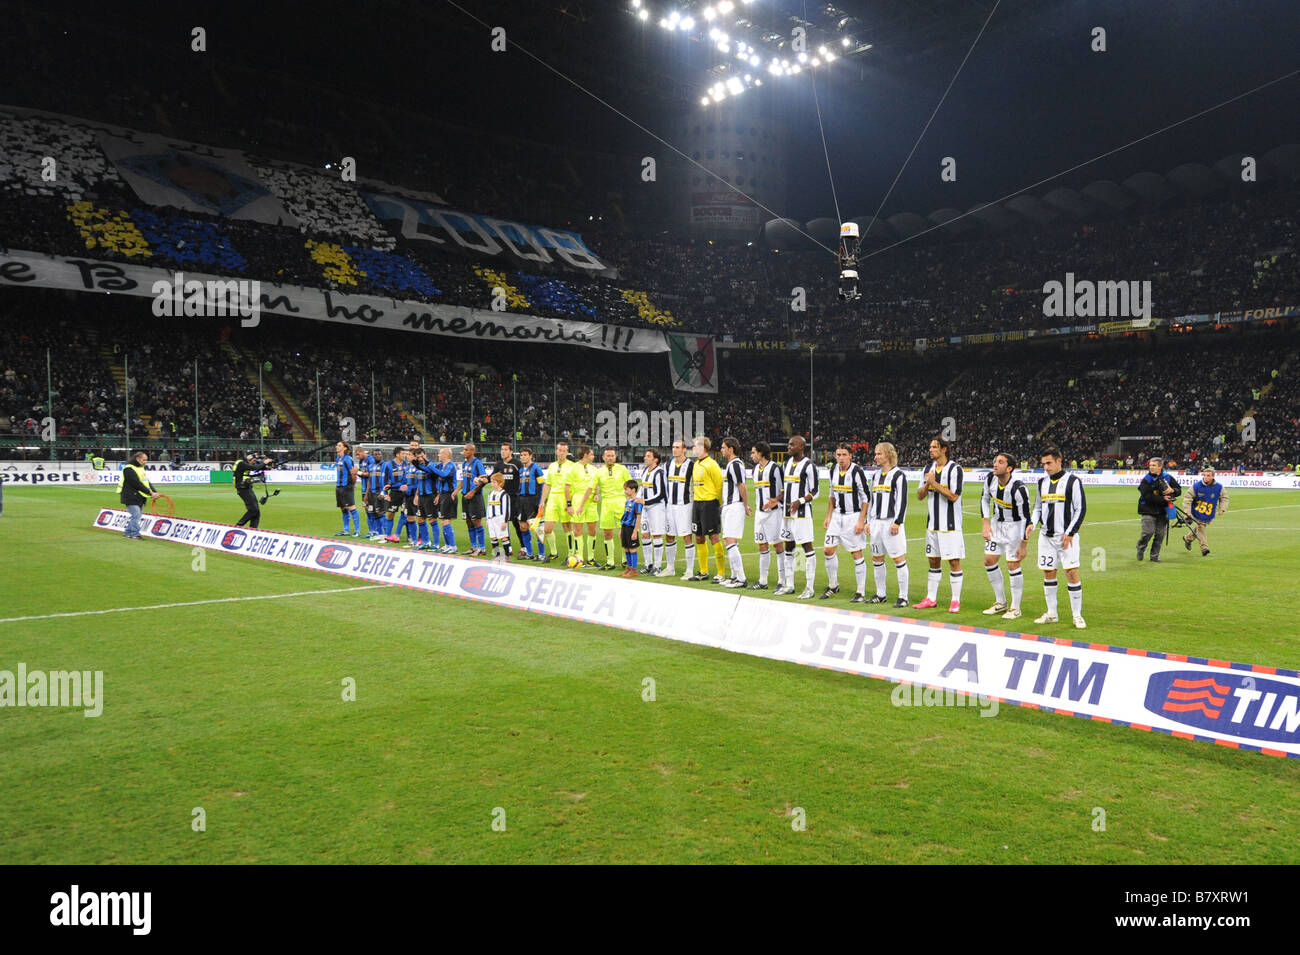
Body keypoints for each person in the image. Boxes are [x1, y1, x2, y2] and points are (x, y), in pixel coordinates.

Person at [1031, 446, 1088, 629]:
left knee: (1071, 573)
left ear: (1059, 461)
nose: (1046, 467)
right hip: (1046, 537)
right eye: (1043, 464)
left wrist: (1070, 532)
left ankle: (1077, 615)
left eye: (1049, 463)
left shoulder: (1073, 481)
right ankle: (1052, 613)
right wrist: (1032, 523)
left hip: (1066, 537)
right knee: (1049, 573)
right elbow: (1038, 507)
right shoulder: (1042, 483)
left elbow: (1081, 509)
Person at [914, 436, 964, 613]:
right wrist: (928, 484)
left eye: (935, 447)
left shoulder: (955, 469)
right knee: (933, 561)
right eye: (930, 446)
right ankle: (931, 598)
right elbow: (920, 496)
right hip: (932, 524)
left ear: (944, 449)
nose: (931, 450)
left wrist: (934, 482)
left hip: (950, 524)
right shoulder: (928, 469)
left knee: (953, 561)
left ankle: (955, 600)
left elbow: (954, 496)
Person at [979, 452, 1032, 619]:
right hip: (996, 525)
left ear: (1009, 468)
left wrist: (1023, 545)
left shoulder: (1018, 488)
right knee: (989, 561)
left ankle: (1016, 608)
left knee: (1013, 565)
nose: (995, 464)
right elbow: (984, 499)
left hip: (1015, 528)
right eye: (995, 461)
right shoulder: (990, 479)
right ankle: (1001, 602)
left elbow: (1026, 519)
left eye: (1000, 462)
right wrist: (985, 523)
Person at [820, 443, 870, 601]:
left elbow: (866, 497)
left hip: (853, 517)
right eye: (838, 455)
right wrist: (828, 516)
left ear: (850, 456)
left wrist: (862, 520)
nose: (841, 458)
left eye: (844, 455)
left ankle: (861, 592)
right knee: (828, 550)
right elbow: (831, 495)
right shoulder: (833, 469)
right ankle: (833, 584)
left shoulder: (857, 471)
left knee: (856, 553)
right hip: (837, 516)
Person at [865, 441, 909, 607]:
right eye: (875, 454)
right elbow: (871, 500)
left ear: (889, 455)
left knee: (898, 559)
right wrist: (868, 521)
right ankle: (880, 594)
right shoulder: (875, 476)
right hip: (876, 523)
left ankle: (903, 597)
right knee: (877, 558)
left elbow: (902, 501)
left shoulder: (898, 475)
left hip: (891, 522)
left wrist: (897, 522)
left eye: (879, 454)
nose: (875, 457)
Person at [775, 434, 819, 599]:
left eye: (792, 445)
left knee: (807, 547)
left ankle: (810, 587)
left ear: (801, 447)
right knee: (788, 547)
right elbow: (785, 488)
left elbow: (815, 492)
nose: (789, 447)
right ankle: (789, 584)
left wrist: (799, 501)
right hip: (787, 514)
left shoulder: (809, 465)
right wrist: (778, 499)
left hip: (802, 514)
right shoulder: (786, 464)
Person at [748, 441, 784, 591]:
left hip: (774, 514)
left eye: (754, 452)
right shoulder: (755, 469)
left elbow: (784, 488)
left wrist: (776, 500)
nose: (752, 455)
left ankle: (783, 580)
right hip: (759, 513)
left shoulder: (775, 468)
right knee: (762, 545)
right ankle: (763, 580)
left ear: (761, 453)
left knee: (777, 545)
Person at [688, 436, 725, 583]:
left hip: (710, 504)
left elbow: (719, 485)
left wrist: (720, 503)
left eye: (695, 446)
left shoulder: (712, 464)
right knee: (698, 537)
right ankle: (703, 571)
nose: (693, 449)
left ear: (702, 448)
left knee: (714, 537)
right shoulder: (696, 463)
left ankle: (721, 573)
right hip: (697, 504)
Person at [536, 441, 579, 563]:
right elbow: (547, 484)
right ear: (556, 451)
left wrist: (569, 502)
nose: (561, 453)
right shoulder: (552, 466)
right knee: (547, 528)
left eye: (564, 451)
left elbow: (574, 485)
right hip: (553, 499)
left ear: (567, 452)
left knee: (567, 527)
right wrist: (542, 501)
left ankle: (571, 554)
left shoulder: (572, 466)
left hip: (565, 498)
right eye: (559, 450)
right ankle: (553, 553)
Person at [1137, 457, 1181, 562]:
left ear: (1160, 467)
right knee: (1148, 532)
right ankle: (1141, 548)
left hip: (1163, 510)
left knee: (1160, 535)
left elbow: (1179, 490)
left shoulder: (1168, 477)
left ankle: (1154, 556)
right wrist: (1162, 499)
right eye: (1150, 465)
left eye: (1154, 465)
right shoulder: (1146, 479)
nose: (1151, 467)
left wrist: (1172, 491)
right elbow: (1146, 496)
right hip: (1148, 509)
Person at [719, 437, 749, 588]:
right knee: (729, 541)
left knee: (730, 541)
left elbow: (742, 486)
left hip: (734, 506)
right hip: (729, 506)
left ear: (731, 449)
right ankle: (733, 576)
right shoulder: (731, 464)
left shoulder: (735, 464)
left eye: (724, 447)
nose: (721, 450)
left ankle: (741, 578)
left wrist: (746, 505)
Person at [596, 448, 632, 570]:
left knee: (624, 532)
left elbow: (630, 485)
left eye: (612, 455)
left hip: (621, 503)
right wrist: (595, 494)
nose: (610, 458)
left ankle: (625, 560)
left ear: (615, 457)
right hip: (606, 504)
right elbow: (594, 485)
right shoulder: (599, 471)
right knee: (607, 533)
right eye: (608, 456)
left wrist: (631, 500)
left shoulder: (622, 469)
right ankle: (610, 562)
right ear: (603, 457)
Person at [664, 439, 695, 578]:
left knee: (687, 537)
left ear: (684, 450)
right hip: (670, 505)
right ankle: (670, 568)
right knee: (669, 536)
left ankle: (689, 570)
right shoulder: (668, 464)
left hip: (685, 506)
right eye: (673, 447)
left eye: (677, 447)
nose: (674, 449)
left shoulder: (691, 465)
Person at [1183, 466, 1227, 556]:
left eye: (1208, 475)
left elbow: (1224, 498)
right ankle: (1204, 548)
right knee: (1201, 528)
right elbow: (1187, 498)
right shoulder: (1196, 486)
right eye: (1204, 475)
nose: (1206, 477)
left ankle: (1187, 539)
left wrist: (1222, 508)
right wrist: (1187, 512)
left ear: (1213, 476)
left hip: (1208, 514)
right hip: (1196, 512)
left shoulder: (1219, 487)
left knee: (1198, 528)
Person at [569, 445, 601, 567]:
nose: (593, 456)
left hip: (591, 502)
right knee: (578, 530)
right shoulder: (573, 468)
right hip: (578, 500)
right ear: (586, 455)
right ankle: (579, 557)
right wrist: (568, 504)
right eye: (592, 454)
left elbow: (596, 484)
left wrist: (597, 494)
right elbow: (567, 487)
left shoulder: (594, 469)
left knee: (592, 530)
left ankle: (591, 558)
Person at [639, 448, 669, 576]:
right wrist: (638, 500)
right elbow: (642, 488)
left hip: (656, 508)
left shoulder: (659, 473)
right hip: (645, 509)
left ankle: (657, 566)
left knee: (656, 535)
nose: (645, 458)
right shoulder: (645, 471)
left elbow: (661, 494)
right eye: (645, 456)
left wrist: (645, 502)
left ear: (655, 459)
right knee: (645, 535)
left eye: (648, 456)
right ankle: (648, 564)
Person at [118, 449, 160, 539]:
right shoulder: (128, 468)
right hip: (130, 496)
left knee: (136, 515)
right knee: (136, 515)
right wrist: (150, 493)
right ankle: (135, 534)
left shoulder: (140, 468)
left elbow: (146, 482)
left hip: (139, 496)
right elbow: (136, 483)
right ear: (137, 459)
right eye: (144, 460)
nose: (146, 462)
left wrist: (154, 491)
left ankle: (128, 533)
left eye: (146, 460)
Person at [514, 447, 546, 561]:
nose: (523, 457)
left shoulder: (536, 469)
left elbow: (542, 485)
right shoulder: (521, 470)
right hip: (522, 501)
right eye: (521, 455)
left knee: (537, 528)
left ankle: (542, 554)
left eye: (525, 455)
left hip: (533, 501)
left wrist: (541, 502)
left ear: (530, 456)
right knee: (523, 527)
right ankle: (530, 553)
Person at [493, 442, 522, 554]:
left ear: (511, 452)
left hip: (514, 498)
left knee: (516, 523)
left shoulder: (517, 464)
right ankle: (508, 548)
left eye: (505, 449)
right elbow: (492, 477)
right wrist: (481, 479)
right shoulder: (499, 465)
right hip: (502, 499)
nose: (503, 451)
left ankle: (523, 546)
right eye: (502, 449)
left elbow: (522, 479)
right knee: (503, 523)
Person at [460, 443, 489, 556]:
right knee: (468, 522)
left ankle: (482, 548)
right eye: (464, 449)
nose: (464, 451)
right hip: (465, 496)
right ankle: (474, 547)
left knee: (476, 521)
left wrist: (473, 491)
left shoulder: (477, 463)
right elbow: (463, 480)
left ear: (472, 452)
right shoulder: (464, 464)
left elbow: (484, 479)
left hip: (475, 497)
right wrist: (456, 490)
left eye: (466, 449)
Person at [233, 449, 273, 528]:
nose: (255, 461)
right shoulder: (241, 463)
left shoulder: (241, 463)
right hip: (243, 488)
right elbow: (255, 468)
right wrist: (264, 463)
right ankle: (238, 526)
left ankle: (253, 530)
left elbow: (252, 471)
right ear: (249, 457)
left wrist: (265, 467)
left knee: (256, 511)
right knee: (253, 510)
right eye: (254, 460)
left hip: (246, 487)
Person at [332, 441, 359, 537]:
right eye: (337, 445)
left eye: (339, 445)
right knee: (343, 508)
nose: (337, 447)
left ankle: (357, 531)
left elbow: (353, 472)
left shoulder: (347, 459)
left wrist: (353, 484)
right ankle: (346, 530)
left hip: (347, 486)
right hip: (339, 486)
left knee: (352, 507)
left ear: (345, 448)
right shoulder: (338, 458)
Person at [485, 472, 513, 562]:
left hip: (500, 519)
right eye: (492, 482)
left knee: (504, 537)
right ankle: (497, 555)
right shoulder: (490, 494)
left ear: (500, 483)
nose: (492, 484)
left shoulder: (504, 494)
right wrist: (487, 519)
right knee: (493, 537)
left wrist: (505, 521)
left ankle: (507, 555)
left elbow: (506, 508)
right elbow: (488, 507)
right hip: (491, 519)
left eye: (494, 482)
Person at [619, 479, 643, 578]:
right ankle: (628, 568)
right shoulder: (628, 501)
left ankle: (634, 570)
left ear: (633, 490)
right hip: (625, 527)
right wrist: (621, 529)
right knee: (626, 548)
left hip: (631, 528)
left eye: (626, 489)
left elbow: (638, 517)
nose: (625, 491)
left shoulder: (637, 502)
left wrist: (635, 531)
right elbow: (625, 515)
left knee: (632, 549)